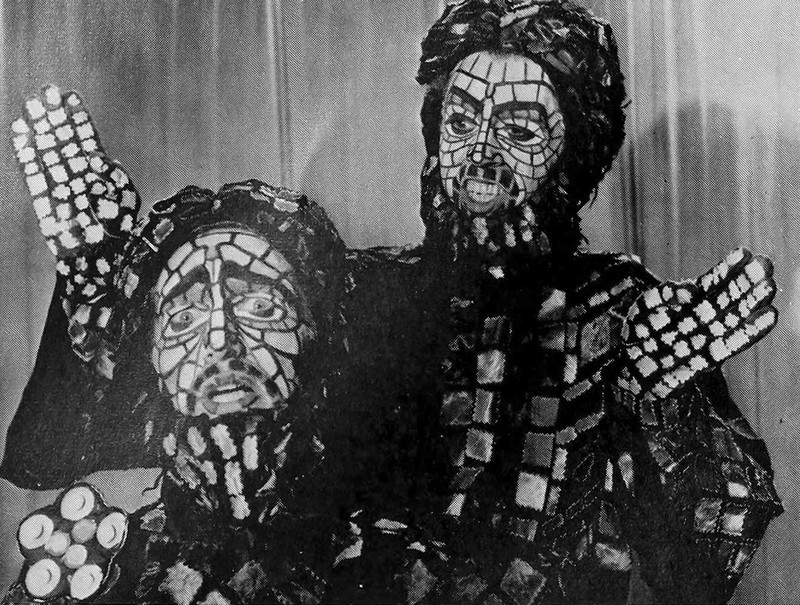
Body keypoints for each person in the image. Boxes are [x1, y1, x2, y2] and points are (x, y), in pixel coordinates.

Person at [328, 1, 782, 603]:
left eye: (518, 132)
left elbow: (698, 574)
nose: (479, 155)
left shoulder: (622, 314)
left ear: (572, 158)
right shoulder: (361, 296)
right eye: (460, 121)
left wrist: (652, 402)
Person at [2, 87, 350, 604]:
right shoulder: (106, 571)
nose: (220, 342)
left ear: (315, 330)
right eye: (184, 319)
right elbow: (36, 461)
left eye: (261, 308)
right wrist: (89, 285)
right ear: (152, 360)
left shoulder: (386, 559)